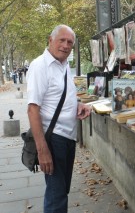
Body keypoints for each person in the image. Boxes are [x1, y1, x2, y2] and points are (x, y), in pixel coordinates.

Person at [26, 24, 91, 213]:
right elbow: (32, 109)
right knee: (57, 197)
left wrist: (77, 105)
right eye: (61, 40)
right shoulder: (40, 66)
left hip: (67, 138)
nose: (65, 45)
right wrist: (42, 150)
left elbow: (59, 97)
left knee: (61, 191)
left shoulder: (63, 65)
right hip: (53, 140)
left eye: (70, 42)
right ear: (50, 40)